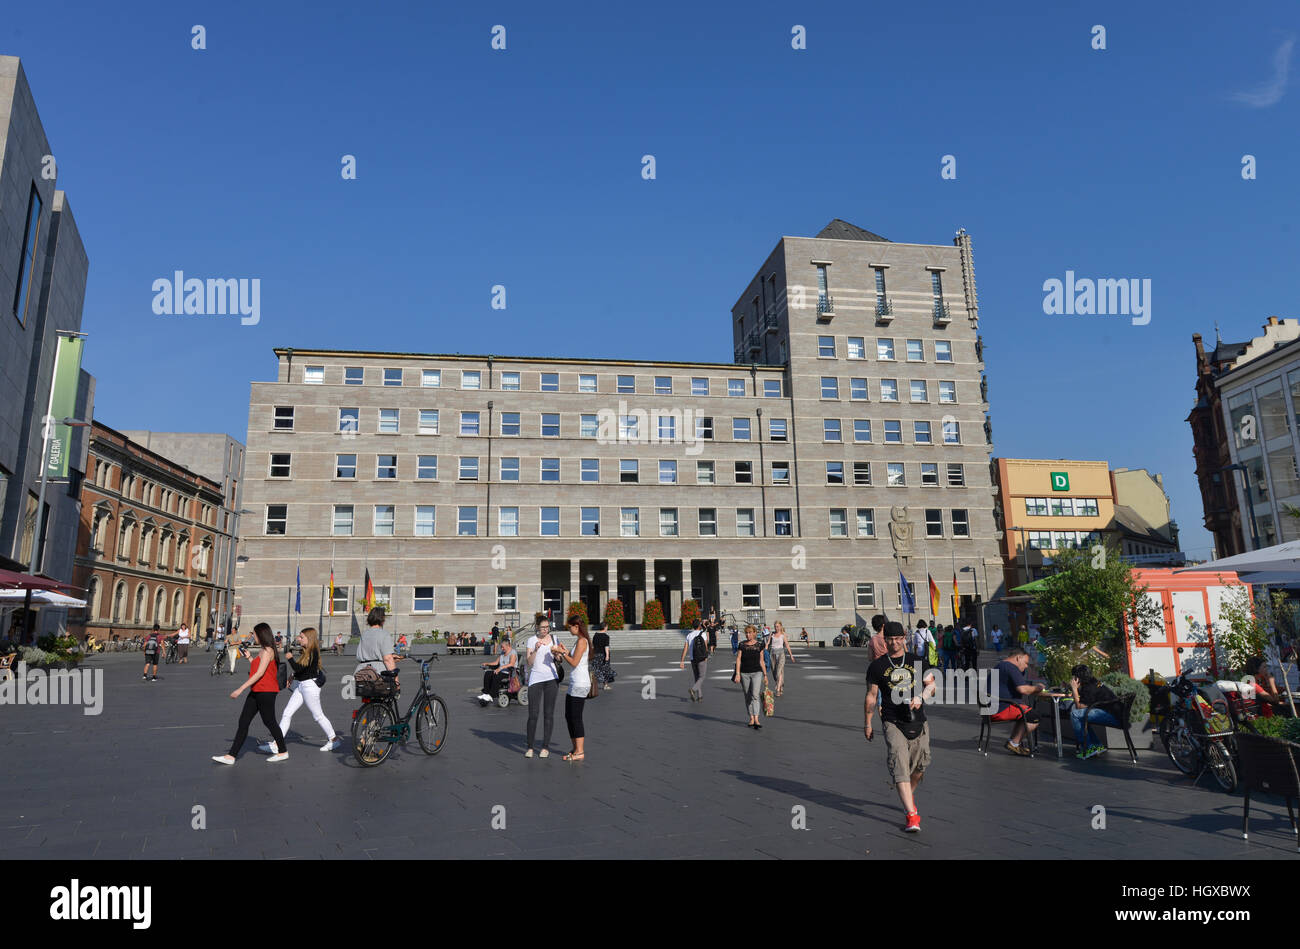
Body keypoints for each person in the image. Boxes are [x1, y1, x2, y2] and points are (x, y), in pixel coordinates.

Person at [864, 621, 937, 832]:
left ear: (904, 638)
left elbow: (931, 684)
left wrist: (921, 697)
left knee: (920, 765)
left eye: (897, 639)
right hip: (892, 720)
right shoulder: (877, 666)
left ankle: (907, 793)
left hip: (918, 720)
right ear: (884, 640)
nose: (894, 643)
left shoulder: (917, 660)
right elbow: (871, 696)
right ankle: (911, 815)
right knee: (899, 766)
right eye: (890, 639)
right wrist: (868, 723)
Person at [212, 623, 288, 764]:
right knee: (244, 721)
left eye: (254, 634)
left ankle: (283, 751)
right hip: (257, 690)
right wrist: (249, 658)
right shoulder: (263, 651)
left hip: (266, 691)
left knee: (269, 722)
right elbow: (261, 668)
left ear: (261, 634)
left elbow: (259, 673)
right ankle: (231, 756)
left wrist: (240, 689)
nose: (253, 636)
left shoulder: (267, 651)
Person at [261, 627, 339, 752]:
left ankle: (333, 740)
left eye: (301, 637)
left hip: (310, 687)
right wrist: (292, 676)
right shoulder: (307, 652)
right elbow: (303, 671)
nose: (298, 638)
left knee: (318, 716)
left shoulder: (313, 651)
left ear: (309, 638)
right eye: (299, 636)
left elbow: (299, 668)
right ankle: (277, 744)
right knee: (287, 713)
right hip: (302, 686)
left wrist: (290, 658)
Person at [993, 648, 1044, 756]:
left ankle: (1013, 742)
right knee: (1034, 716)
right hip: (1001, 708)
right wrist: (1038, 688)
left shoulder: (1000, 665)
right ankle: (1014, 743)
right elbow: (1023, 689)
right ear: (1018, 658)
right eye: (1025, 663)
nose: (1026, 666)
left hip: (992, 707)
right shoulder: (1011, 667)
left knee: (1024, 710)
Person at [523, 615, 561, 757]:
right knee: (533, 714)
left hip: (551, 678)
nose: (545, 630)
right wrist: (536, 650)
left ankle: (545, 747)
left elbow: (560, 659)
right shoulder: (531, 640)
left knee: (548, 714)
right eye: (543, 627)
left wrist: (556, 653)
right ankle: (530, 747)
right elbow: (529, 662)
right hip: (536, 679)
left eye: (547, 627)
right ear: (537, 627)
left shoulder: (554, 639)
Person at [556, 615, 591, 761]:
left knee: (576, 717)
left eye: (569, 626)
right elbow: (571, 656)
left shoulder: (583, 641)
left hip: (580, 683)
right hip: (575, 682)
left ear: (576, 626)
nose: (569, 629)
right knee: (568, 716)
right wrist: (563, 650)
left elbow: (574, 662)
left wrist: (563, 653)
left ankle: (580, 751)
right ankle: (575, 748)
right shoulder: (579, 641)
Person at [1068, 664, 1121, 759]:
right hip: (1116, 713)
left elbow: (1079, 707)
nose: (1073, 679)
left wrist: (1074, 690)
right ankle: (1097, 745)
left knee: (1075, 714)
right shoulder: (1093, 683)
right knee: (1082, 717)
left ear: (1078, 678)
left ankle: (1087, 748)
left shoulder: (1089, 688)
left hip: (1114, 717)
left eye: (1074, 676)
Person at [732, 625, 768, 729]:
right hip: (744, 673)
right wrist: (738, 673)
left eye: (750, 632)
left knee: (755, 695)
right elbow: (738, 659)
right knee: (747, 695)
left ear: (754, 633)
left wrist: (765, 675)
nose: (748, 635)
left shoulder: (760, 645)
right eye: (746, 633)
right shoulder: (742, 645)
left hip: (757, 672)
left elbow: (761, 661)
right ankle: (751, 717)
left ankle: (756, 718)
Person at [355, 607, 398, 692]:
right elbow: (387, 659)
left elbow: (369, 654)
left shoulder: (364, 634)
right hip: (377, 675)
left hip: (361, 674)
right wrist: (396, 680)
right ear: (382, 619)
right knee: (390, 694)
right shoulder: (384, 634)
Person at [479, 637, 518, 703]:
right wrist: (487, 663)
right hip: (501, 671)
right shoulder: (503, 653)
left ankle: (492, 695)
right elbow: (496, 662)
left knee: (497, 675)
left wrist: (500, 668)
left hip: (509, 673)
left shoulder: (513, 652)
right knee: (488, 673)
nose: (502, 649)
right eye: (501, 647)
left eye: (503, 647)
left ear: (508, 645)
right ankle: (486, 693)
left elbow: (511, 664)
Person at [679, 619, 709, 702]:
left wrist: (682, 660)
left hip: (693, 658)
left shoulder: (689, 635)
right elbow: (706, 647)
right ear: (699, 626)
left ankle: (700, 696)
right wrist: (706, 656)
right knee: (702, 676)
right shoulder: (703, 634)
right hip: (701, 657)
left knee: (697, 677)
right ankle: (693, 689)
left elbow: (685, 648)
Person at [770, 621, 795, 697]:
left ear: (780, 626)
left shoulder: (783, 635)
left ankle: (777, 689)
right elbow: (768, 644)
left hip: (781, 654)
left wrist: (791, 655)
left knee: (779, 671)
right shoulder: (772, 634)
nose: (776, 628)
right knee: (774, 673)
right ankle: (781, 685)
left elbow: (787, 645)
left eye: (777, 626)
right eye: (775, 626)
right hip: (773, 654)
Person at [591, 622, 614, 691]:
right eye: (607, 627)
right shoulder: (606, 636)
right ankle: (605, 685)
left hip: (596, 654)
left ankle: (593, 685)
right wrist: (607, 656)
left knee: (596, 669)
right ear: (605, 627)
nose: (607, 628)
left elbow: (593, 645)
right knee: (605, 670)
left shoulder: (595, 635)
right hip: (603, 655)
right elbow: (606, 647)